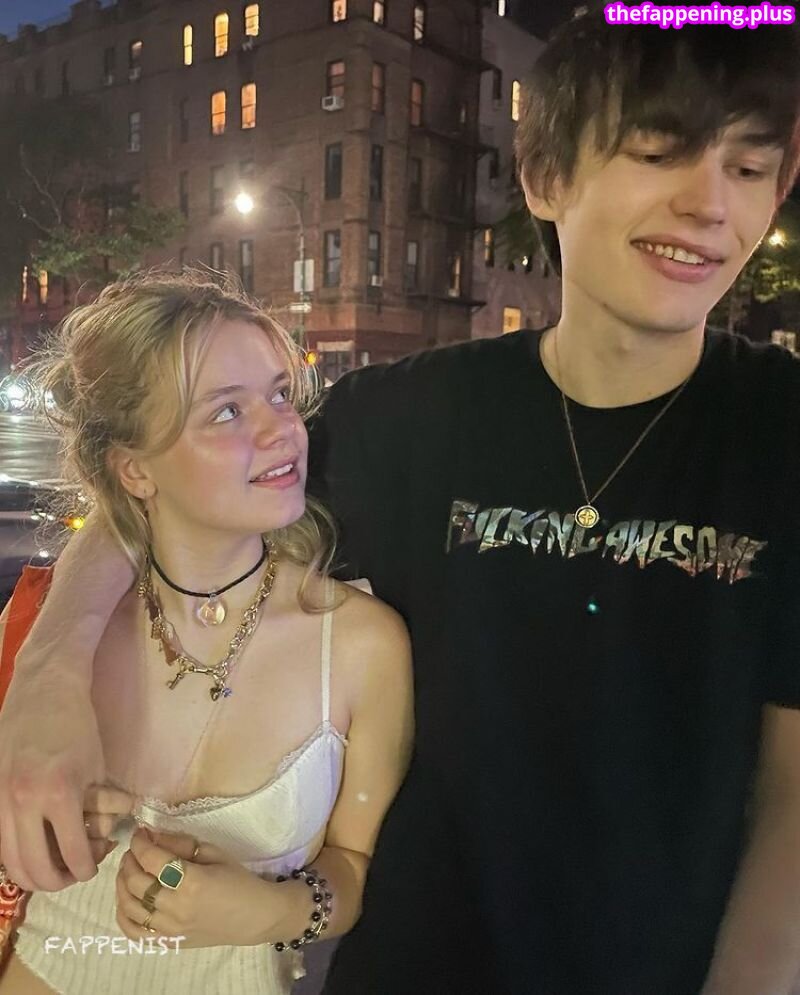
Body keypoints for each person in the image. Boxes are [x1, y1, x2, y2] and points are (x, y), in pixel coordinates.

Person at [2, 7, 800, 994]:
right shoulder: (401, 415)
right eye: (657, 152)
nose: (708, 204)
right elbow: (161, 508)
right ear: (545, 175)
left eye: (749, 167)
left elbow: (791, 796)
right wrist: (46, 681)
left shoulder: (778, 434)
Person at [0, 270, 412, 994]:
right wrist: (42, 837)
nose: (282, 429)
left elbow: (354, 867)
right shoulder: (47, 628)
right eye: (226, 411)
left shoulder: (359, 643)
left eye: (280, 394)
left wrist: (268, 910)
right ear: (135, 470)